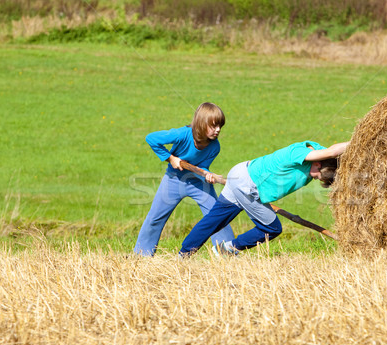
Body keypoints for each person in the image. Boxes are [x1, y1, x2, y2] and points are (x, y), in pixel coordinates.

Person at [179, 140, 349, 257]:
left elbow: (333, 154)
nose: (316, 178)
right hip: (248, 185)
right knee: (272, 228)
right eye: (318, 176)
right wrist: (359, 141)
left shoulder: (318, 152)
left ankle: (183, 255)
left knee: (214, 220)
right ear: (317, 162)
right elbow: (333, 151)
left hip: (241, 174)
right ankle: (227, 249)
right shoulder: (298, 153)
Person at [134, 102, 235, 257]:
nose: (218, 130)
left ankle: (228, 254)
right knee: (155, 218)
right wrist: (170, 158)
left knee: (217, 216)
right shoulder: (182, 134)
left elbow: (202, 166)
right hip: (173, 180)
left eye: (220, 126)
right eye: (214, 126)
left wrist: (207, 175)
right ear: (201, 124)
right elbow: (151, 138)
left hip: (198, 182)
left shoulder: (215, 146)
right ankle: (141, 255)